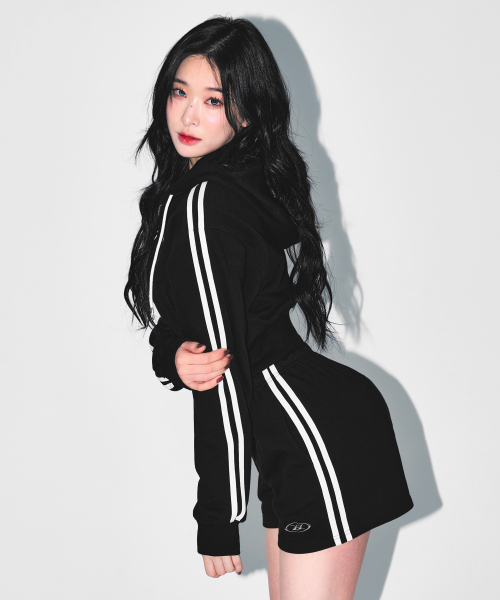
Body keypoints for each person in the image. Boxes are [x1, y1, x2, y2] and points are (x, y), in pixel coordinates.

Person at [124, 15, 413, 600]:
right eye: (180, 93)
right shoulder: (204, 192)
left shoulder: (208, 201)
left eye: (213, 100)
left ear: (248, 113)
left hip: (315, 437)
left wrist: (217, 515)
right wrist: (172, 354)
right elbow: (198, 329)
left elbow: (225, 374)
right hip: (291, 437)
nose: (187, 115)